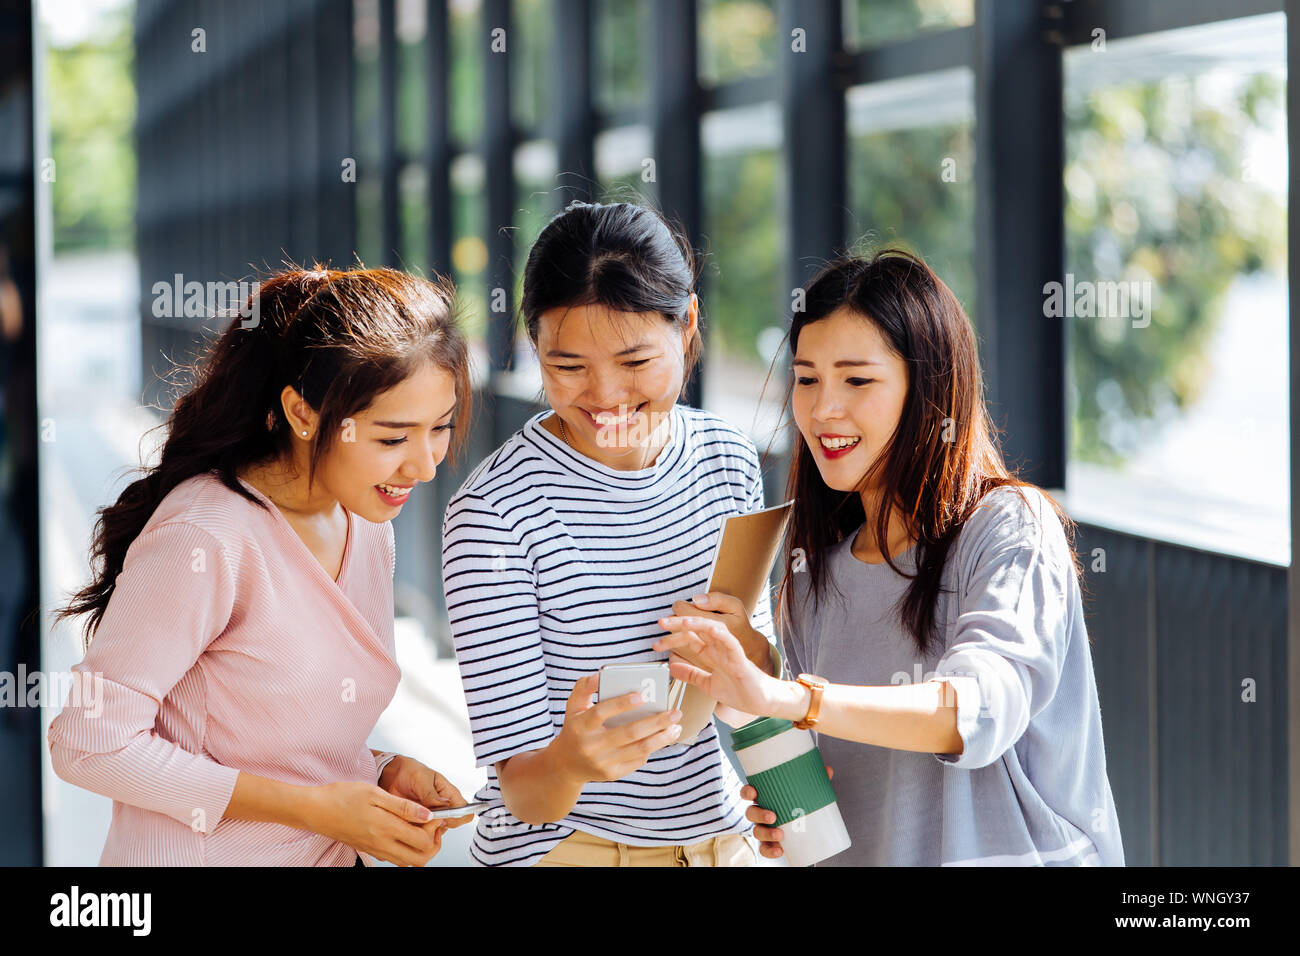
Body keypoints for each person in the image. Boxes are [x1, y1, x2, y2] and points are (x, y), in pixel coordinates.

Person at [655, 249, 1126, 866]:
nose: (824, 408)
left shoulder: (1010, 529)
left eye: (857, 380)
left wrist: (791, 698)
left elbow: (976, 711)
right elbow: (838, 764)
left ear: (928, 387)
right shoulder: (816, 571)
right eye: (806, 378)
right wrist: (788, 799)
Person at [49, 266, 475, 866]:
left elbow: (277, 735)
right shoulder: (205, 537)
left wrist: (378, 772)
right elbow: (88, 743)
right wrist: (313, 809)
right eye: (391, 439)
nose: (426, 466)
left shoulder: (366, 527)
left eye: (440, 429)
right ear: (302, 414)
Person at [441, 201, 783, 866]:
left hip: (719, 844)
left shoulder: (728, 459)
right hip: (572, 850)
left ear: (686, 325)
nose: (606, 397)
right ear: (534, 344)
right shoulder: (493, 516)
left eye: (634, 361)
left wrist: (747, 654)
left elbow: (755, 690)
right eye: (567, 365)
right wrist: (570, 761)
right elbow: (526, 798)